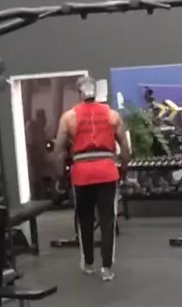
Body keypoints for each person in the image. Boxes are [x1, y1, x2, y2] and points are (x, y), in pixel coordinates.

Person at [53, 76, 131, 280]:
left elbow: (59, 151)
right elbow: (125, 148)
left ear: (79, 92)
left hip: (82, 173)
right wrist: (123, 171)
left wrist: (60, 178)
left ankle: (88, 263)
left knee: (85, 219)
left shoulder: (69, 117)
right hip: (106, 170)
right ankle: (107, 268)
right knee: (107, 219)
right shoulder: (112, 115)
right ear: (95, 91)